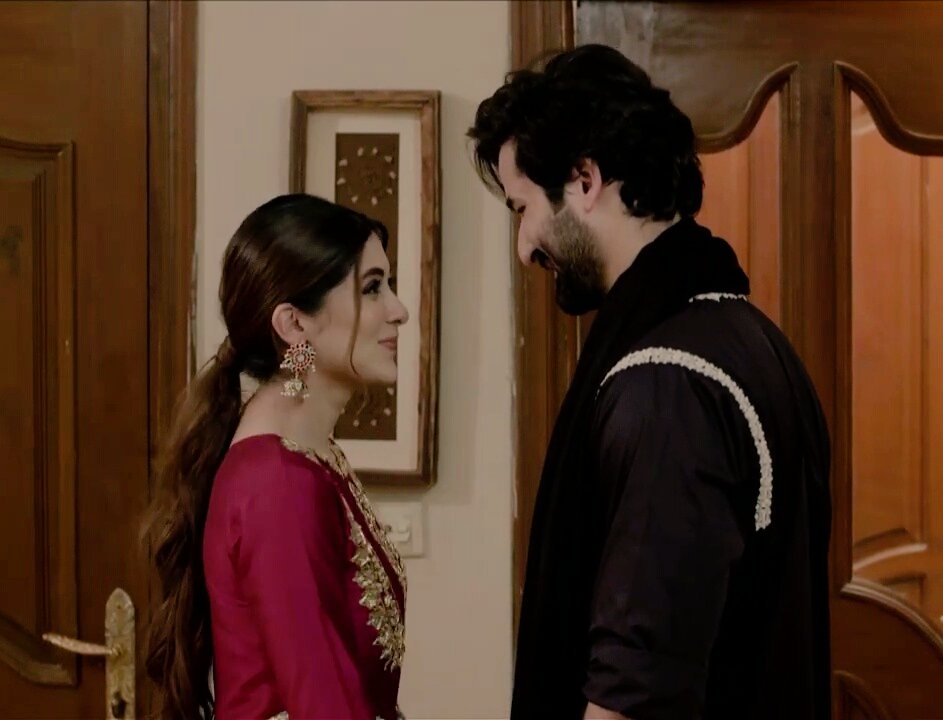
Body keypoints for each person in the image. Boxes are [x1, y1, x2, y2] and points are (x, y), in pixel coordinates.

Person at [468, 44, 831, 719]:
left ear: (584, 180)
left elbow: (636, 688)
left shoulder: (667, 383)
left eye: (523, 208)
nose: (524, 247)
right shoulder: (750, 336)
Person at [143, 194, 408, 720]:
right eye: (372, 287)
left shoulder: (309, 452)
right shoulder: (278, 482)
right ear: (294, 326)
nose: (399, 310)